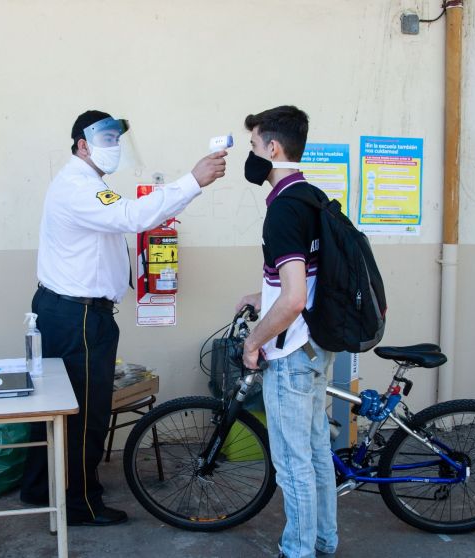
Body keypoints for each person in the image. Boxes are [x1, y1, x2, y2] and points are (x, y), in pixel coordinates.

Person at [20, 110, 227, 526]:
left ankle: (42, 487)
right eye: (107, 139)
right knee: (85, 413)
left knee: (59, 406)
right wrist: (192, 181)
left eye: (118, 139)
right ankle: (81, 504)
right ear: (82, 144)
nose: (114, 147)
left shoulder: (87, 186)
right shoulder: (79, 187)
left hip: (69, 312)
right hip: (77, 318)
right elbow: (132, 217)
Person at [235, 105, 338, 557]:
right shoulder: (312, 197)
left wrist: (254, 341)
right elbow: (307, 281)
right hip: (318, 349)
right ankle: (323, 541)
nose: (253, 154)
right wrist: (260, 297)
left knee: (293, 465)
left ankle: (298, 552)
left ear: (273, 148)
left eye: (255, 145)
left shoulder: (282, 210)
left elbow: (294, 298)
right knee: (316, 457)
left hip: (292, 355)